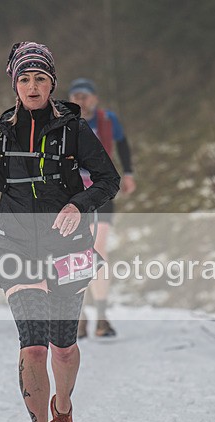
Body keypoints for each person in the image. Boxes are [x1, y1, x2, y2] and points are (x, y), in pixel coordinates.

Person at [0, 42, 119, 422]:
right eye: (25, 79)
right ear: (15, 84)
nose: (32, 86)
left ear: (51, 84)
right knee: (33, 346)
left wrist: (78, 204)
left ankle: (62, 411)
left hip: (68, 243)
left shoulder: (73, 129)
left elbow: (108, 179)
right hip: (16, 243)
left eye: (40, 78)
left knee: (62, 347)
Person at [68, 77, 136, 338]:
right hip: (72, 191)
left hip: (102, 189)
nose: (81, 101)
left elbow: (123, 144)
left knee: (98, 248)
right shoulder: (65, 121)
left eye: (85, 96)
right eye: (76, 96)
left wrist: (128, 173)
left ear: (94, 99)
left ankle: (101, 315)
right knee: (75, 251)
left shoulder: (108, 120)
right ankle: (81, 315)